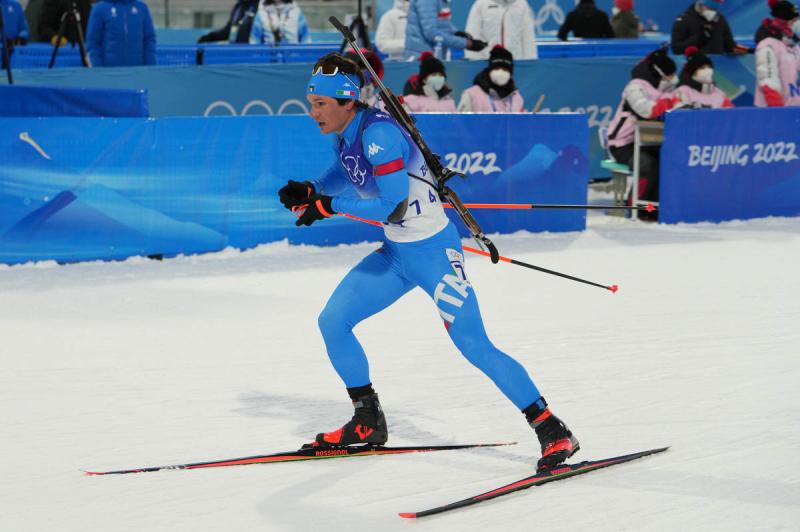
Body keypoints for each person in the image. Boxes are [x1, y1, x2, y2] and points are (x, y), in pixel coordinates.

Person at [278, 52, 579, 470]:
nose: (312, 112)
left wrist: (326, 206)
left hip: (434, 253)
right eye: (311, 103)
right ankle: (367, 420)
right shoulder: (347, 132)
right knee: (333, 321)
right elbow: (345, 171)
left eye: (320, 104)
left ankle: (553, 430)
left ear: (347, 100)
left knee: (474, 345)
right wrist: (311, 188)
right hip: (397, 254)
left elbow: (392, 205)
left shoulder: (378, 135)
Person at [605, 49, 678, 209]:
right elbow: (645, 110)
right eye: (671, 74)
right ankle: (637, 208)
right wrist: (670, 103)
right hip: (622, 144)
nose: (674, 78)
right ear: (661, 73)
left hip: (650, 141)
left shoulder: (666, 89)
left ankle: (658, 207)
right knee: (647, 165)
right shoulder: (635, 87)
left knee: (669, 161)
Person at [404, 0, 487, 60]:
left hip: (433, 57)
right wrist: (466, 44)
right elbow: (431, 33)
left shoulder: (442, 1)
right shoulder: (427, 1)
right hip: (421, 59)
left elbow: (443, 23)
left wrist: (456, 32)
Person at [754, 0, 800, 107]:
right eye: (793, 20)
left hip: (794, 109)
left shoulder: (792, 45)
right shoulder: (768, 45)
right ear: (784, 21)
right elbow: (767, 79)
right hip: (776, 111)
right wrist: (776, 110)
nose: (797, 23)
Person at [86, 0, 156, 67]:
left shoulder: (142, 7)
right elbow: (93, 42)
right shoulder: (99, 9)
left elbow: (149, 39)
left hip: (138, 72)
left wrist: (150, 68)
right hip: (109, 73)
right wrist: (98, 69)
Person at [458, 45, 525, 112]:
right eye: (497, 68)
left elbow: (523, 121)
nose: (500, 72)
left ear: (510, 73)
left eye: (505, 69)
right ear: (490, 70)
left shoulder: (516, 97)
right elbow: (458, 121)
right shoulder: (471, 95)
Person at [463, 0, 537, 61]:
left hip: (515, 62)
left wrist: (531, 63)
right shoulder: (481, 4)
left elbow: (528, 37)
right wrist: (472, 62)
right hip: (486, 63)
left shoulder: (522, 4)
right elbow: (472, 35)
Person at [671, 0, 748, 55]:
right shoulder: (684, 20)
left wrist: (745, 50)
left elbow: (729, 45)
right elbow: (676, 49)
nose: (713, 12)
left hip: (718, 69)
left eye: (715, 9)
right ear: (700, 4)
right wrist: (699, 39)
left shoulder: (720, 19)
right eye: (710, 8)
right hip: (697, 69)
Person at [0, 0, 29, 68]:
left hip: (14, 52)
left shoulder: (15, 5)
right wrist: (3, 39)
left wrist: (22, 37)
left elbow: (24, 28)